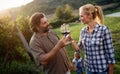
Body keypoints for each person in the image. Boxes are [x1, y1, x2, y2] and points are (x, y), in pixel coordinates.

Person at [70, 4, 115, 74]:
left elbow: (110, 54)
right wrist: (71, 40)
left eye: (81, 16)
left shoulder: (104, 30)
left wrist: (111, 71)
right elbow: (78, 49)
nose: (80, 18)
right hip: (89, 69)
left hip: (102, 70)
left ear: (90, 15)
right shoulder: (83, 31)